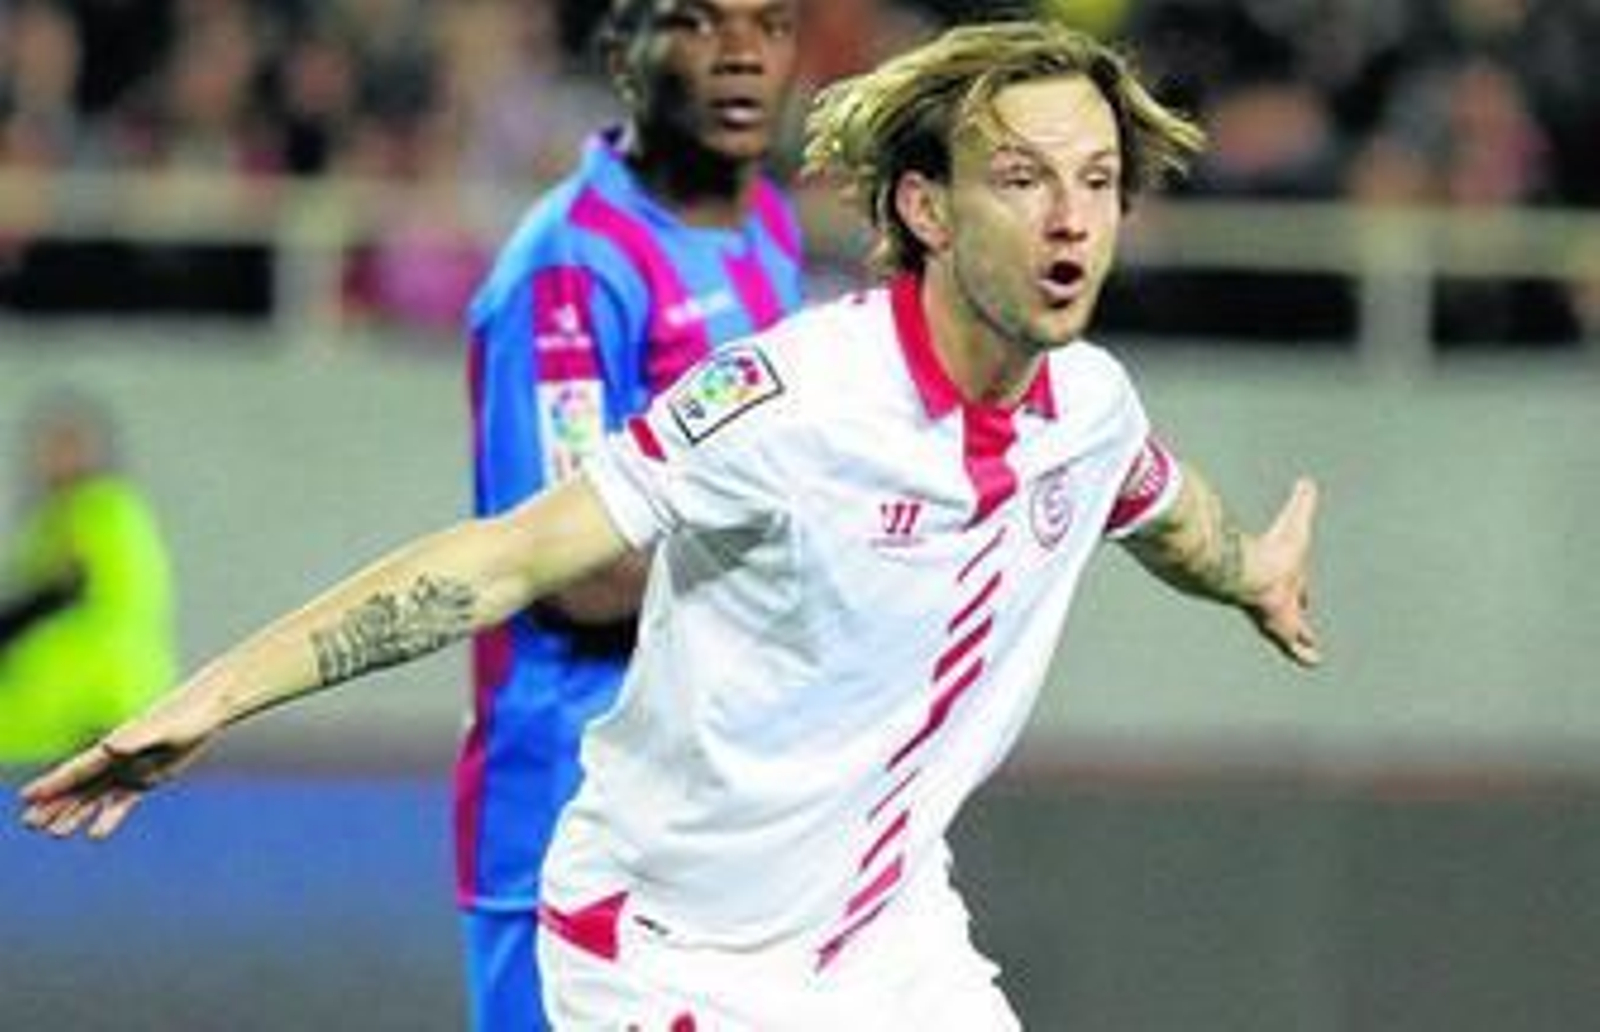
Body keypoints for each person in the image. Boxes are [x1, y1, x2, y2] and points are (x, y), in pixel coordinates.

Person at [20, 19, 1322, 1029]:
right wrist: (209, 701)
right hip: (671, 951)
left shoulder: (1086, 408)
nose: (1072, 218)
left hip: (886, 941)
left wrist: (1251, 572)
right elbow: (504, 558)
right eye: (1025, 179)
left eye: (1097, 182)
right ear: (926, 208)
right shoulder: (794, 398)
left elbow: (1161, 507)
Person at [456, 1, 802, 1029]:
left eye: (770, 23)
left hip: (712, 802)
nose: (740, 53)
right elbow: (579, 575)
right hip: (571, 799)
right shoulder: (569, 266)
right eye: (696, 21)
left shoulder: (767, 229)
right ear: (621, 56)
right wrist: (817, 561)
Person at [0, 391, 176, 765]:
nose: (54, 459)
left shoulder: (95, 510)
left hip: (92, 713)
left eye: (68, 446)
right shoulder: (64, 517)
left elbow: (60, 586)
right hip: (70, 717)